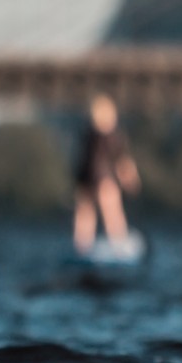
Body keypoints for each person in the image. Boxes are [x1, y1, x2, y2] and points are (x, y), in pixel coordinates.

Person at [74, 94, 139, 254]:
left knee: (85, 214)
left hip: (86, 180)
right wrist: (131, 180)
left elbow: (81, 162)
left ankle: (82, 246)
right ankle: (118, 242)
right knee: (112, 211)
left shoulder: (88, 135)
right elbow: (122, 162)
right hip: (104, 179)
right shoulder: (114, 137)